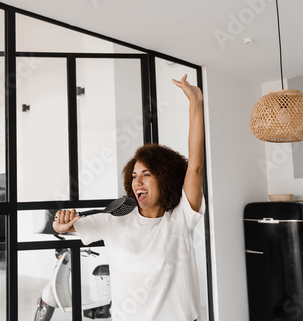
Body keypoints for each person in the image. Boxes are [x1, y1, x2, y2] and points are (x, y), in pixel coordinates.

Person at [53, 74, 205, 321]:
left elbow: (195, 166)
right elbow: (67, 227)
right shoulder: (114, 221)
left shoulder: (180, 220)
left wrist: (195, 102)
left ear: (165, 179)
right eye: (134, 176)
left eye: (146, 174)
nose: (138, 182)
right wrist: (61, 223)